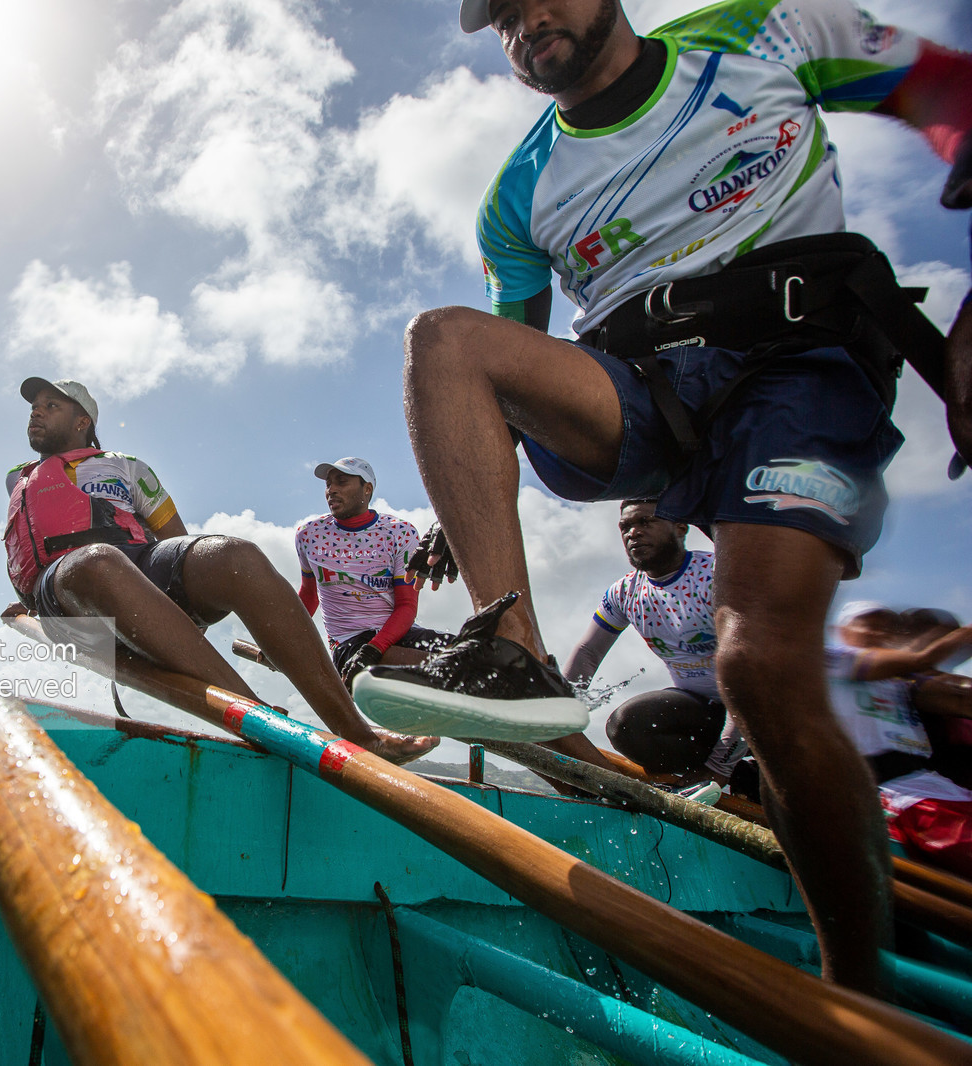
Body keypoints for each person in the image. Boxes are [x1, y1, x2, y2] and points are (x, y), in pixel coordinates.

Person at [402, 0, 972, 990]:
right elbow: (507, 361)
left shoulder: (762, 33)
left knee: (759, 666)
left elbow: (948, 89)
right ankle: (509, 653)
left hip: (797, 364)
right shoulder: (516, 194)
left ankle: (857, 992)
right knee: (442, 341)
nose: (527, 19)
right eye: (502, 14)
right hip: (647, 393)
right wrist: (459, 509)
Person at [4, 377, 437, 763]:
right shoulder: (17, 479)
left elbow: (177, 543)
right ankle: (260, 718)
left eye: (50, 405)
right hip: (69, 591)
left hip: (133, 570)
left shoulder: (127, 466)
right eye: (34, 406)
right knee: (98, 561)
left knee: (233, 554)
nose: (36, 411)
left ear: (82, 422)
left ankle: (358, 732)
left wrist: (180, 599)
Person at [565, 499, 745, 796]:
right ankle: (741, 777)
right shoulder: (625, 592)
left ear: (680, 527)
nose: (633, 533)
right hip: (704, 713)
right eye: (625, 526)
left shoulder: (716, 575)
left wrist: (718, 767)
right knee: (627, 726)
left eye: (645, 522)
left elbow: (752, 676)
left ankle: (732, 771)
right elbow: (588, 652)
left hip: (761, 708)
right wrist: (560, 708)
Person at [827, 602, 972, 878]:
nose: (882, 631)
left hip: (938, 786)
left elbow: (959, 696)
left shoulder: (901, 679)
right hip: (893, 793)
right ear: (842, 631)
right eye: (870, 623)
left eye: (888, 626)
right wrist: (962, 635)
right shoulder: (829, 659)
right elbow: (922, 659)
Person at [295, 458, 439, 682]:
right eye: (328, 484)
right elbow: (309, 595)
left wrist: (374, 649)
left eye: (341, 482)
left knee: (474, 652)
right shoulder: (309, 535)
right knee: (436, 669)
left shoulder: (400, 532)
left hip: (397, 633)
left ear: (367, 489)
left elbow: (407, 605)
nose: (331, 490)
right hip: (348, 642)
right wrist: (283, 638)